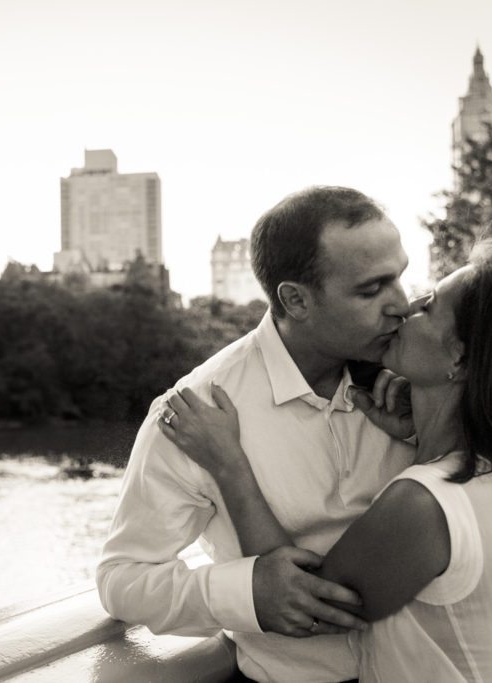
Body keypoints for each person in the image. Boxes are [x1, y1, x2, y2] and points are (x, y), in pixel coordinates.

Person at [160, 244, 492, 681]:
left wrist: (230, 466)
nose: (407, 306)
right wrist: (418, 432)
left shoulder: (428, 503)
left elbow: (308, 606)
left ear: (459, 358)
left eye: (430, 305)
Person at [96, 186, 416, 682]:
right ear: (295, 299)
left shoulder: (422, 371)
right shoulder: (196, 410)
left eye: (400, 276)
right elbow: (122, 580)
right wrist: (246, 593)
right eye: (371, 289)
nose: (402, 304)